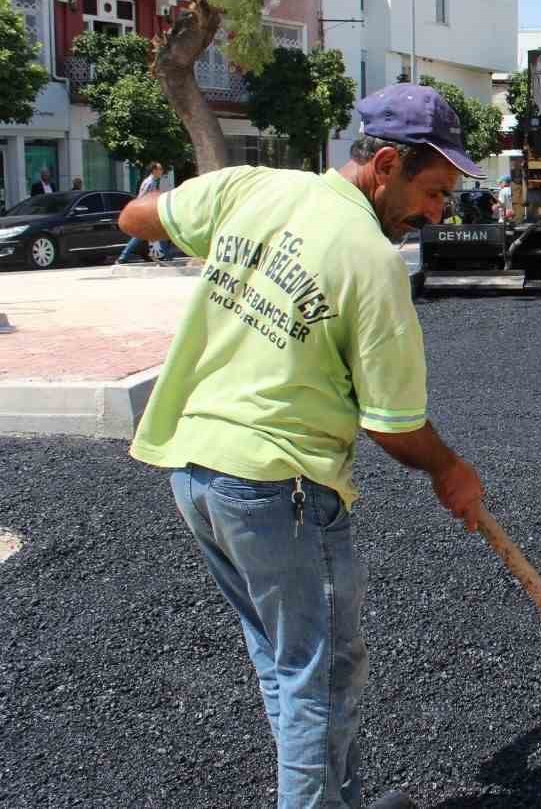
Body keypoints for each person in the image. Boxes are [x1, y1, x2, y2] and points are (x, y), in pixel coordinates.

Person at [116, 83, 487, 809]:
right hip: (276, 488)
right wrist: (451, 471)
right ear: (385, 164)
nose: (437, 213)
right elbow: (393, 423)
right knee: (316, 680)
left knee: (293, 666)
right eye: (433, 191)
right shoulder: (371, 263)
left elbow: (137, 216)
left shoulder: (254, 188)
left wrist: (239, 258)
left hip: (195, 470)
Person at [116, 163, 172, 263]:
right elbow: (142, 198)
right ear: (154, 170)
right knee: (141, 236)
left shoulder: (154, 181)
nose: (162, 171)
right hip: (145, 214)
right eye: (160, 169)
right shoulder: (149, 182)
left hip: (150, 213)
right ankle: (123, 257)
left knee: (159, 232)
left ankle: (164, 255)